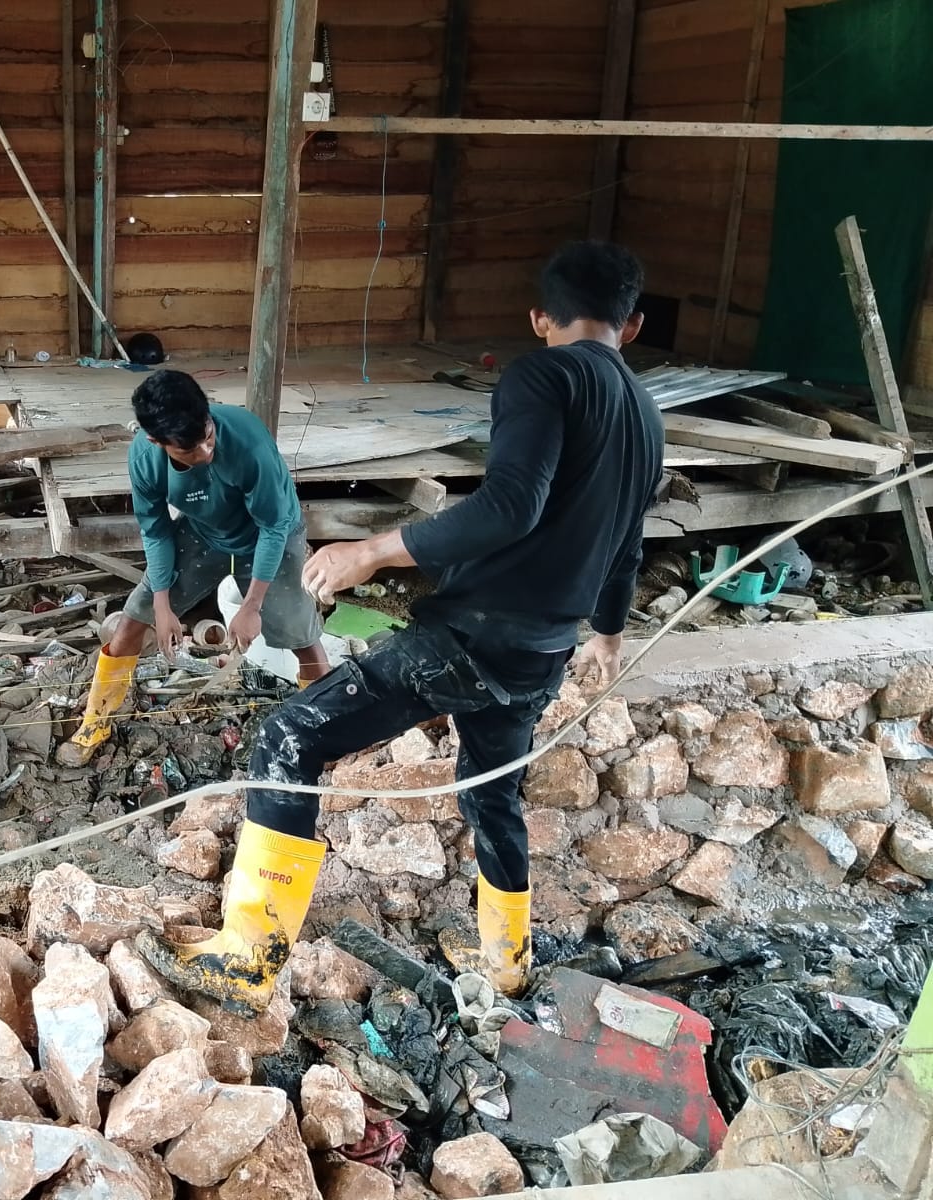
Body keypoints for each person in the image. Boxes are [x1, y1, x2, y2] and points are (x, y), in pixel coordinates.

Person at [137, 242, 665, 1008]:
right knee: (493, 794)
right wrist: (608, 635)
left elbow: (511, 506)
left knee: (289, 738)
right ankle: (505, 960)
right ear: (633, 325)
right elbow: (628, 545)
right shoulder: (646, 414)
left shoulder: (543, 375)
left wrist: (373, 551)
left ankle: (248, 958)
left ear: (539, 318)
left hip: (470, 638)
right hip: (543, 649)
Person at [57, 369, 332, 767]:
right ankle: (95, 722)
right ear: (156, 441)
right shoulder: (145, 460)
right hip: (205, 532)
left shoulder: (249, 442)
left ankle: (327, 731)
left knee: (303, 635)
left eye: (208, 436)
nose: (205, 452)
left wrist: (252, 606)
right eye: (189, 450)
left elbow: (273, 528)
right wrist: (162, 605)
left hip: (270, 534)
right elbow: (155, 531)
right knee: (133, 620)